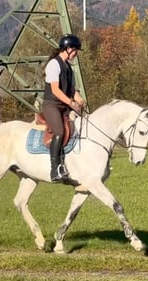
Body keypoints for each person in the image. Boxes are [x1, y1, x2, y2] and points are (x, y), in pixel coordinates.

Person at [42, 34, 86, 182]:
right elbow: (55, 90)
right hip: (51, 105)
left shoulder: (68, 67)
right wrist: (71, 102)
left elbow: (72, 90)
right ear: (68, 49)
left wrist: (80, 101)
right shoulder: (54, 64)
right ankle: (55, 169)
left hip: (64, 106)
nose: (76, 54)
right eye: (75, 51)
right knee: (59, 131)